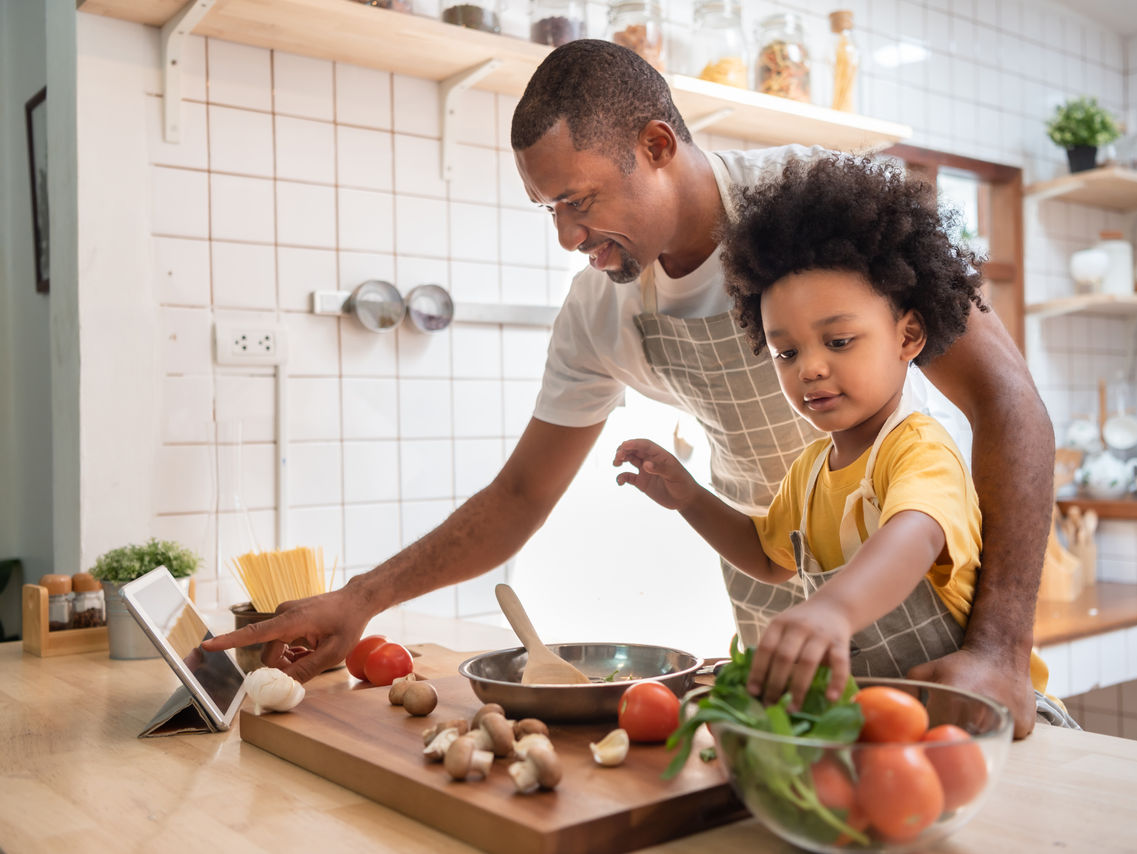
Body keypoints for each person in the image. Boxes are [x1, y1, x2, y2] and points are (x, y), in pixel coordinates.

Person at [204, 40, 1055, 737]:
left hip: (933, 624)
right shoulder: (600, 310)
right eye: (550, 211)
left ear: (655, 146)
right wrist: (361, 598)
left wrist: (1002, 650)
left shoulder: (811, 210)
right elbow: (521, 494)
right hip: (780, 615)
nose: (572, 238)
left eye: (579, 200)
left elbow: (1007, 401)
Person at [614, 153, 1048, 713]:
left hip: (985, 712)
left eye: (839, 341)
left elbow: (914, 535)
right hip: (894, 724)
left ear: (908, 335)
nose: (810, 368)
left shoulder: (917, 448)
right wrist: (690, 498)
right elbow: (769, 558)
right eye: (786, 352)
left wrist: (834, 609)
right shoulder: (811, 471)